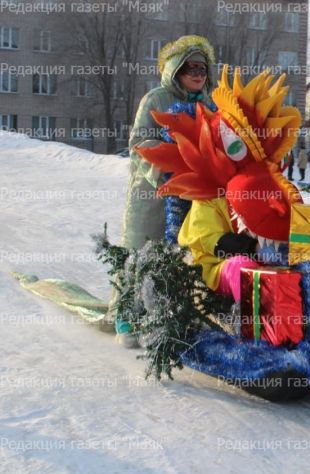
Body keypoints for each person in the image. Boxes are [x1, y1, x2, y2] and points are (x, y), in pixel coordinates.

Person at [111, 35, 217, 347]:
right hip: (154, 194)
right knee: (143, 252)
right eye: (189, 68)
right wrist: (172, 155)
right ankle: (127, 317)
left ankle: (177, 315)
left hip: (195, 195)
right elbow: (138, 144)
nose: (197, 74)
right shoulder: (155, 99)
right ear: (175, 69)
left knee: (186, 255)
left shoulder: (210, 103)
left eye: (202, 68)